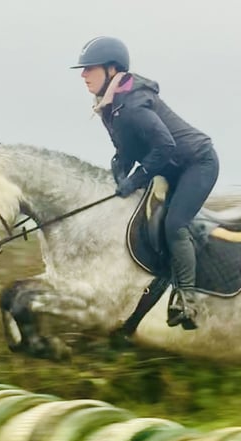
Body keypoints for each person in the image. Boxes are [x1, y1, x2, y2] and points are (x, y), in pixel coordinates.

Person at [71, 36, 219, 330]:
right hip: (171, 167)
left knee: (174, 225)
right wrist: (119, 176)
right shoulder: (109, 105)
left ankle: (188, 301)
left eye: (90, 68)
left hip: (196, 164)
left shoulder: (133, 103)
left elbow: (166, 147)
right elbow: (126, 149)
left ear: (112, 70)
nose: (83, 75)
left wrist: (136, 178)